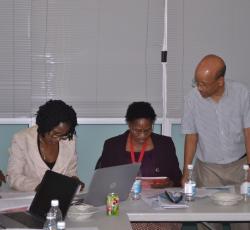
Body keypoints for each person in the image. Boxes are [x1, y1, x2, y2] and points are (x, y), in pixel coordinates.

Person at [181, 54, 250, 230]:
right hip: (207, 170)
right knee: (208, 224)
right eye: (197, 82)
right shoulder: (192, 98)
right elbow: (191, 136)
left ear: (220, 81)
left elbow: (248, 132)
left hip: (239, 168)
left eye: (203, 84)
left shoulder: (242, 93)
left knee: (243, 222)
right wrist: (186, 172)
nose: (198, 87)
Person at [96, 101, 182, 230]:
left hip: (158, 208)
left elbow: (177, 179)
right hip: (122, 206)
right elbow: (103, 182)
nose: (142, 135)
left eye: (147, 130)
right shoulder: (112, 145)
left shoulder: (165, 144)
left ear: (152, 125)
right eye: (137, 130)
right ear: (129, 124)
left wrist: (168, 184)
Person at [7, 100, 84, 192]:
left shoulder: (69, 140)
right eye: (55, 133)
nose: (58, 139)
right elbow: (13, 176)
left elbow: (70, 172)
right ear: (44, 126)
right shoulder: (22, 139)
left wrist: (74, 180)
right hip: (30, 198)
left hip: (60, 198)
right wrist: (38, 186)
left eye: (63, 135)